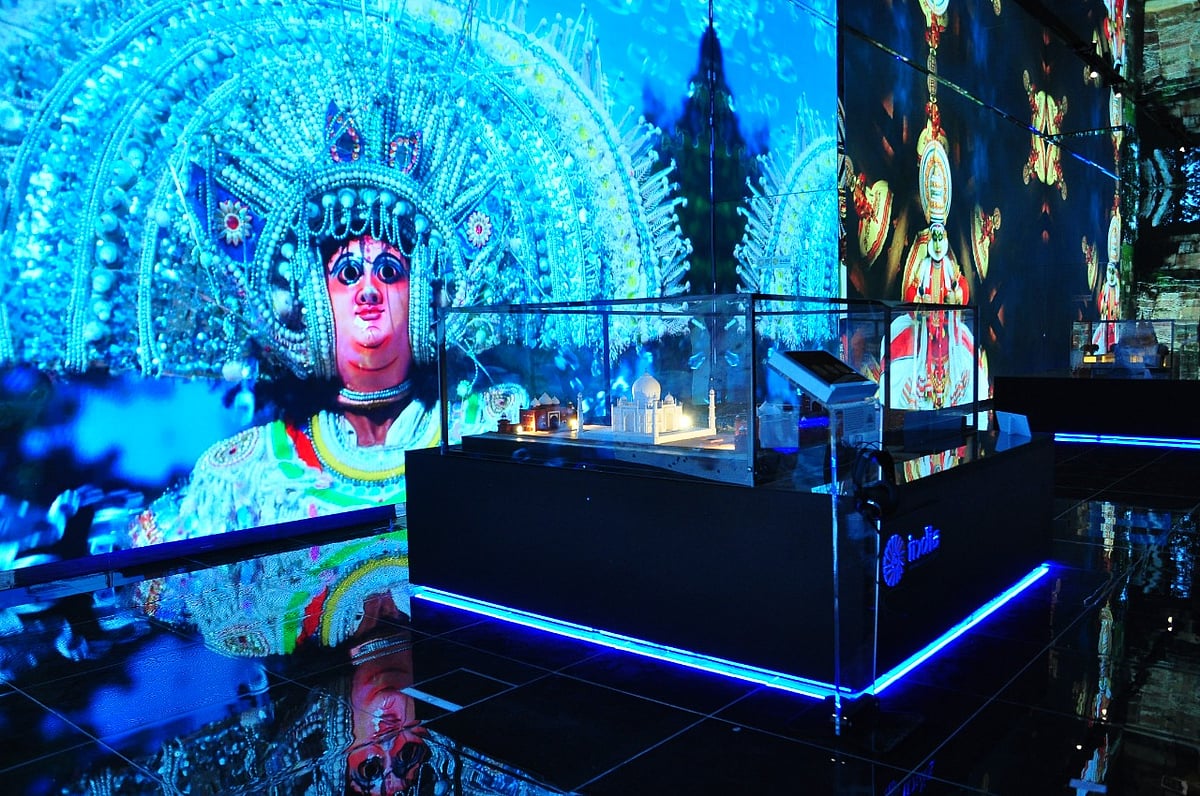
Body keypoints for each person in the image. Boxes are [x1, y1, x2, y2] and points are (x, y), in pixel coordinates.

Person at [131, 228, 440, 547]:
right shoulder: (248, 473)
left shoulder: (467, 432)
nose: (370, 292)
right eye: (348, 274)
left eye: (388, 273)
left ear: (421, 294)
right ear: (314, 301)